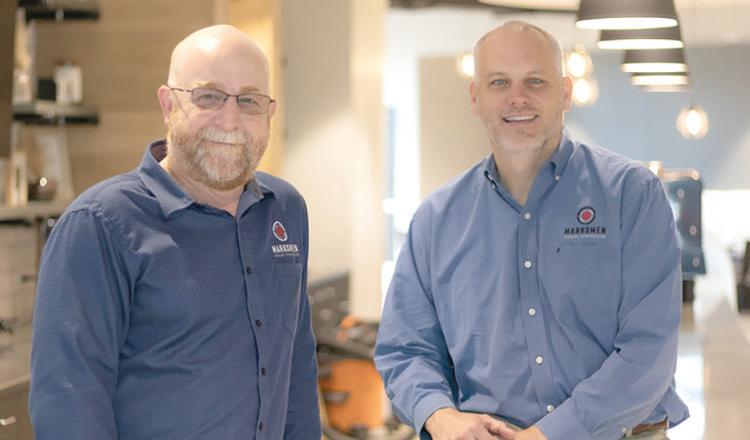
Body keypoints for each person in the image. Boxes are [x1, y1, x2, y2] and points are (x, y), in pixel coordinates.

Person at [374, 21, 689, 440]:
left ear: (565, 93)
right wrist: (440, 414)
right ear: (475, 97)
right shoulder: (436, 219)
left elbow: (649, 350)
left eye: (535, 81)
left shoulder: (631, 195)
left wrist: (548, 434)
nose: (517, 97)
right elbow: (405, 348)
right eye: (499, 82)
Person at [29, 25, 320, 439]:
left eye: (249, 101)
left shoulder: (285, 209)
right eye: (208, 96)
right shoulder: (99, 225)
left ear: (270, 114)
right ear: (168, 105)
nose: (230, 120)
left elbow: (296, 370)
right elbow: (68, 406)